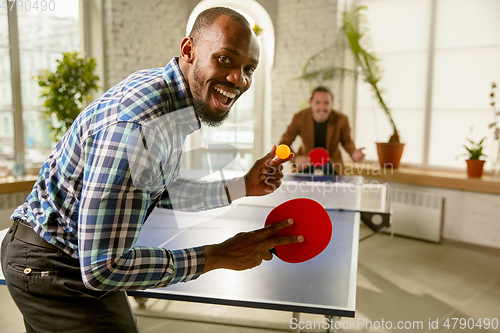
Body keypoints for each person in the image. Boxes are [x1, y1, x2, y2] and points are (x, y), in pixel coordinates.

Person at [1, 7, 303, 333]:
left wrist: (243, 185)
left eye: (249, 68)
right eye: (225, 59)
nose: (239, 79)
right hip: (53, 265)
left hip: (65, 257)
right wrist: (217, 255)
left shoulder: (169, 98)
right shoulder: (139, 129)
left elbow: (159, 190)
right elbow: (103, 268)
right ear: (189, 50)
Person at [279, 86, 365, 175]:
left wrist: (353, 152)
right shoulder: (299, 118)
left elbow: (346, 141)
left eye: (326, 103)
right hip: (305, 163)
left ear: (332, 103)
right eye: (318, 103)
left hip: (332, 164)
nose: (322, 107)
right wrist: (296, 158)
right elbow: (283, 144)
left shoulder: (342, 119)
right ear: (310, 103)